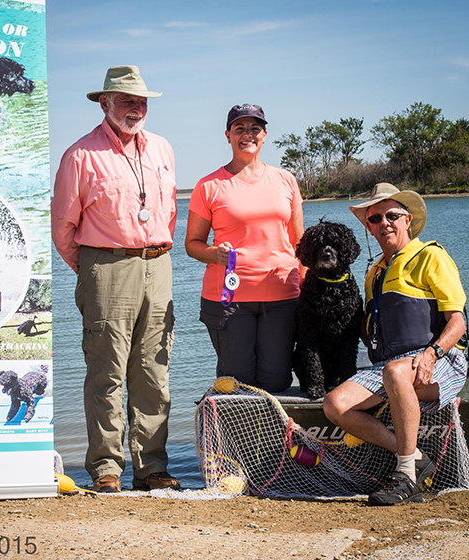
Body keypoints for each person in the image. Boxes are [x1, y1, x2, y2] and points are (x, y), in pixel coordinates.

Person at [51, 65, 180, 493]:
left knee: (154, 370)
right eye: (126, 100)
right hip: (105, 269)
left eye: (141, 101)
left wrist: (152, 255)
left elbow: (170, 216)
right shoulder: (80, 155)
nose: (136, 108)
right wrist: (93, 271)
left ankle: (152, 468)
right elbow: (63, 228)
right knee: (106, 373)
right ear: (104, 103)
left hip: (158, 265)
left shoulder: (162, 148)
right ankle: (106, 468)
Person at [323, 183, 468, 506]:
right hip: (390, 366)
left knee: (396, 371)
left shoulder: (431, 256)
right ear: (369, 227)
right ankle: (415, 455)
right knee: (335, 404)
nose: (383, 223)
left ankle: (406, 478)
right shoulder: (374, 271)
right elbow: (370, 329)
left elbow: (457, 323)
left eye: (392, 215)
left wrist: (432, 354)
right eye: (375, 218)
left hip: (440, 358)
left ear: (408, 220)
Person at [185, 104, 304, 393]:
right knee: (237, 385)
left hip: (282, 297)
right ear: (228, 135)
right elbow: (192, 244)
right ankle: (237, 439)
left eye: (254, 129)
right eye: (239, 129)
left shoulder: (286, 180)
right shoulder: (208, 186)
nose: (247, 135)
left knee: (277, 382)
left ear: (265, 135)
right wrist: (215, 254)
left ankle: (274, 439)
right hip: (228, 301)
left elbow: (301, 244)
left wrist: (308, 284)